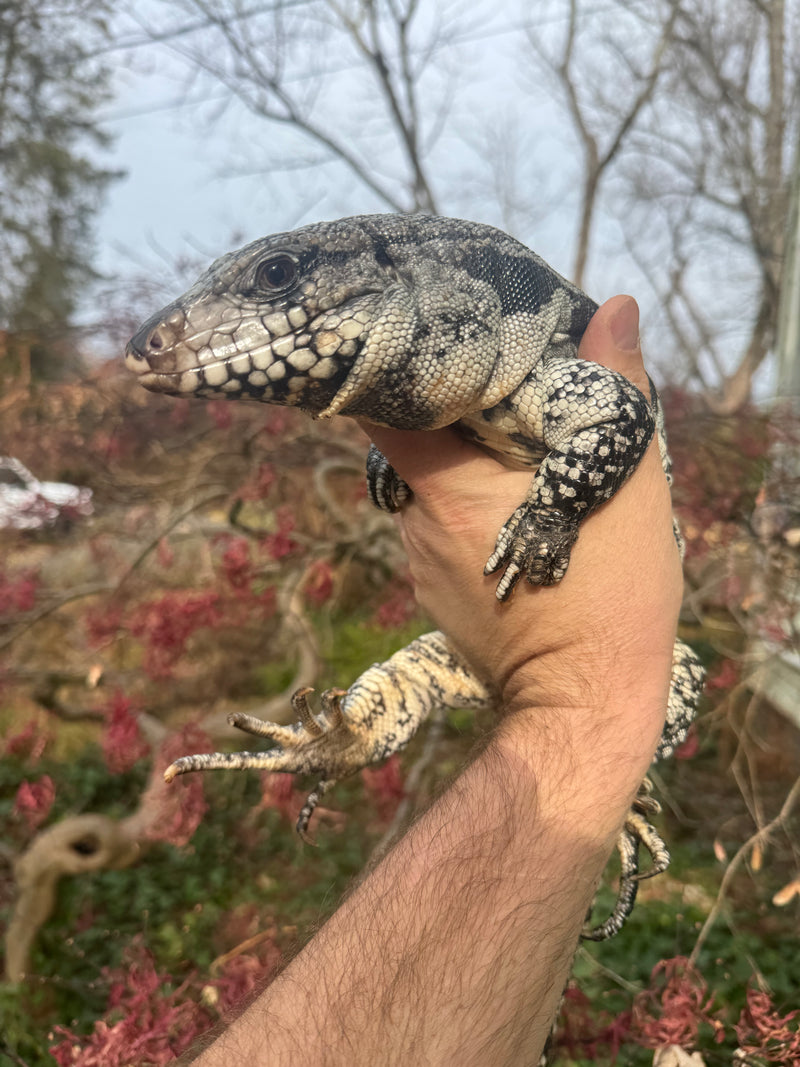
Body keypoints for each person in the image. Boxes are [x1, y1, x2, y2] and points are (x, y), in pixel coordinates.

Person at [183, 295, 683, 1066]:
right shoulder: (455, 380)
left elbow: (616, 414)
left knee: (678, 677)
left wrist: (550, 520)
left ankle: (622, 799)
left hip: (624, 645)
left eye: (280, 284)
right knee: (415, 665)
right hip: (505, 645)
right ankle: (351, 732)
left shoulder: (541, 362)